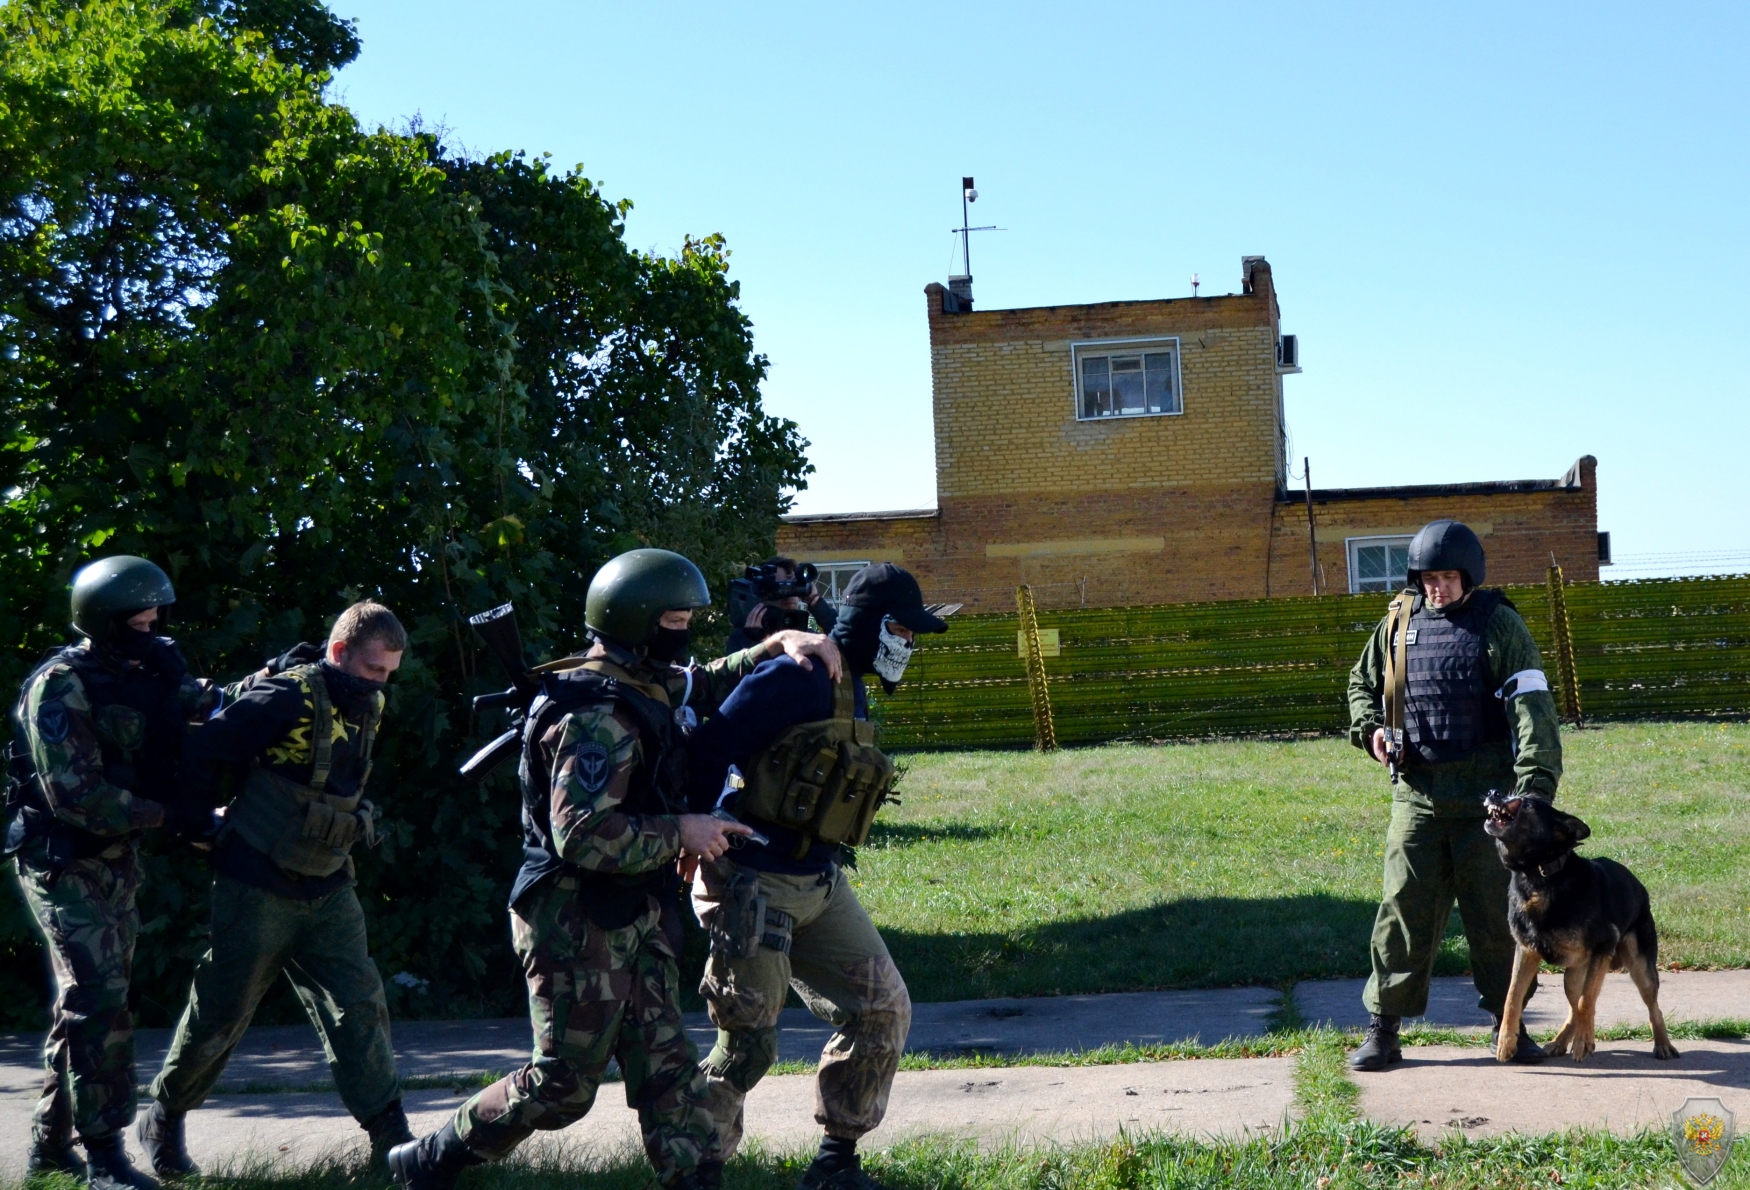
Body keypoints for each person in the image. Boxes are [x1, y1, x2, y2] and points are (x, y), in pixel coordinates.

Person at [390, 548, 843, 1190]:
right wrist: (683, 830)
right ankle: (432, 1157)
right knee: (563, 1086)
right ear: (637, 622)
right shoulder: (596, 718)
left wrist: (775, 644)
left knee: (668, 1072)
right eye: (676, 620)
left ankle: (693, 1178)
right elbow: (580, 834)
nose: (684, 632)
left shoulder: (642, 679)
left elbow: (702, 680)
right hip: (573, 919)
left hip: (636, 909)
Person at [687, 562, 950, 1190]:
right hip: (752, 883)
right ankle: (693, 1168)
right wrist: (698, 830)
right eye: (903, 632)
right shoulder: (795, 675)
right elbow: (706, 749)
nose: (908, 646)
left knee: (882, 1009)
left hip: (818, 882)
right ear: (874, 626)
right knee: (747, 1046)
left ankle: (835, 1165)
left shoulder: (850, 680)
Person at [137, 602, 414, 1175]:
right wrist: (195, 826)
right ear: (340, 654)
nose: (381, 684)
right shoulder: (284, 697)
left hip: (330, 882)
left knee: (361, 1007)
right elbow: (200, 747)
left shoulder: (368, 702)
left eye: (389, 673)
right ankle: (163, 1117)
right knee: (222, 1011)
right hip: (257, 881)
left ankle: (393, 1142)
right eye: (373, 670)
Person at [6, 556, 213, 1188]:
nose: (154, 623)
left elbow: (205, 705)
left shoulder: (143, 668)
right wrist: (173, 817)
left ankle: (48, 1147)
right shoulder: (61, 685)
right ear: (106, 618)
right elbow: (77, 798)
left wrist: (282, 679)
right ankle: (104, 1157)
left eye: (157, 613)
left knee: (89, 1003)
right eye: (140, 615)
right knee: (99, 1002)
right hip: (63, 859)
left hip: (117, 858)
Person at [1345, 519, 1563, 1071]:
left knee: (1496, 920)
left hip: (1487, 807)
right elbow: (1362, 685)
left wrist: (1534, 792)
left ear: (1469, 575)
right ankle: (1384, 1030)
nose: (1436, 587)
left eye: (1446, 576)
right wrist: (1370, 728)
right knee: (1401, 913)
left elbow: (1532, 708)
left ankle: (1508, 1026)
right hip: (1416, 799)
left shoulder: (1499, 626)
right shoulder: (1398, 621)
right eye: (1427, 576)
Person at [723, 556, 837, 655]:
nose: (788, 595)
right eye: (780, 587)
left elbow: (846, 643)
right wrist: (754, 641)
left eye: (793, 586)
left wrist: (815, 601)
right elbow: (738, 676)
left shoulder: (808, 637)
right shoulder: (742, 637)